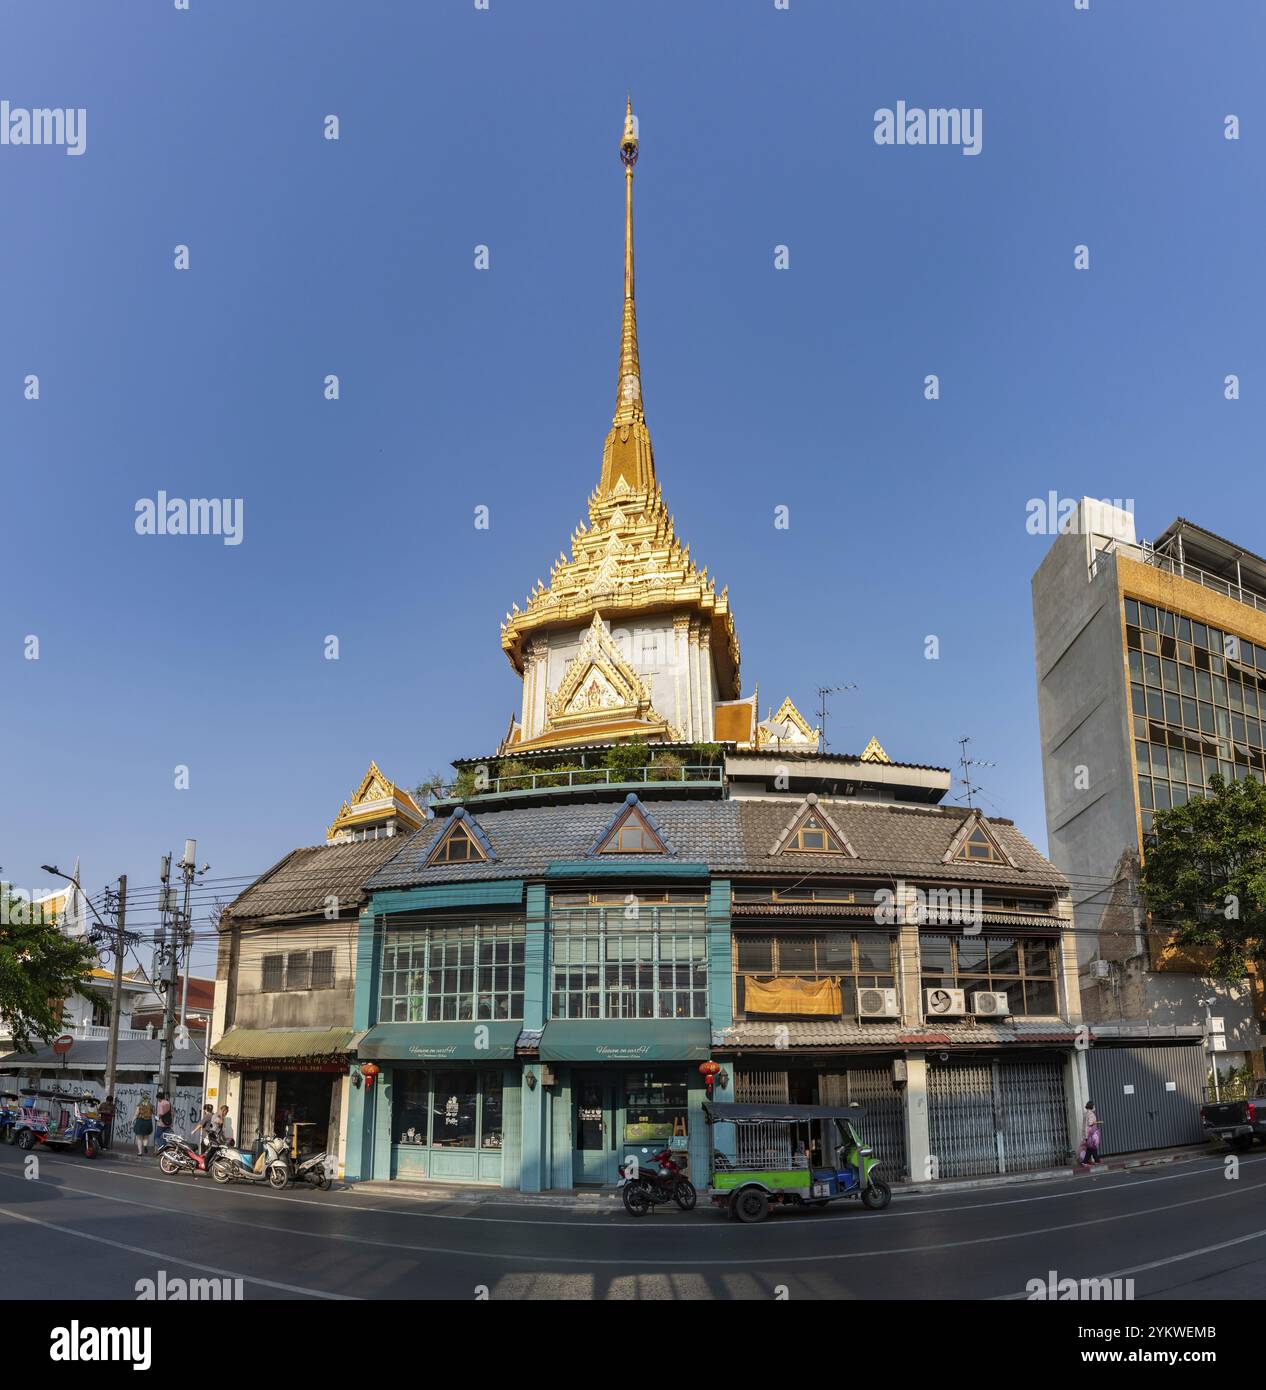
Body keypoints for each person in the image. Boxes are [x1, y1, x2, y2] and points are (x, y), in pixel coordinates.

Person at [1081, 1100, 1102, 1165]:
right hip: (1091, 1133)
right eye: (1094, 1105)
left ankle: (1096, 1160)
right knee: (1092, 1147)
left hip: (1086, 1133)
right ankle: (1087, 1161)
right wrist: (1098, 1122)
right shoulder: (1091, 1114)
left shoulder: (1086, 1113)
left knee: (1091, 1147)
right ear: (1091, 1106)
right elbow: (1090, 1123)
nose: (1094, 1107)